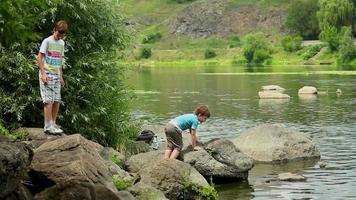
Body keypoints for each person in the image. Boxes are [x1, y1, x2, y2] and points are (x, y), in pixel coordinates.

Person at [37, 20, 68, 135]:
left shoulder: (61, 43)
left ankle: (53, 124)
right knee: (48, 101)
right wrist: (43, 74)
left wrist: (61, 76)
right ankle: (47, 126)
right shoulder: (47, 41)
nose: (59, 36)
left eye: (61, 35)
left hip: (56, 74)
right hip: (47, 74)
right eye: (58, 33)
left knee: (57, 100)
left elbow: (60, 60)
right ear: (54, 29)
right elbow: (39, 58)